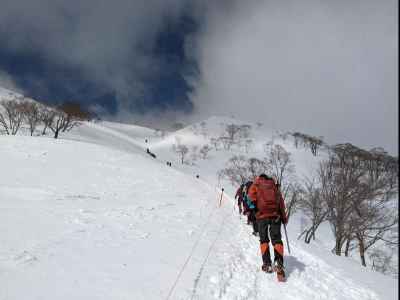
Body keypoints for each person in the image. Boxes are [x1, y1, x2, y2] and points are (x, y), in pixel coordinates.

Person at [248, 174, 288, 276]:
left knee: (264, 239)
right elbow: (281, 203)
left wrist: (253, 208)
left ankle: (267, 264)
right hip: (275, 216)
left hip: (261, 216)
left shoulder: (256, 184)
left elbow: (250, 197)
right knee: (277, 239)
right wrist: (284, 217)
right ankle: (278, 262)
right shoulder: (274, 186)